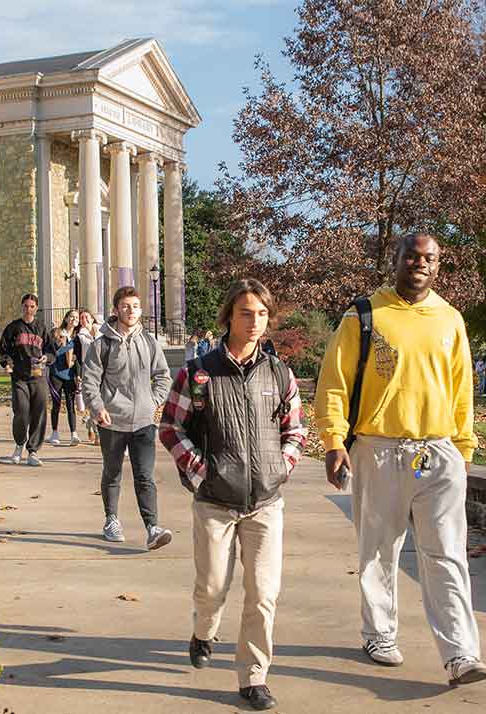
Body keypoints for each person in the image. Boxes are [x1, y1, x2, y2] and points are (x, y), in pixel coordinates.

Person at [315, 232, 486, 687]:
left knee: (447, 554)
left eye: (429, 258)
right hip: (378, 448)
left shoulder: (451, 319)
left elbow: (462, 390)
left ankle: (461, 654)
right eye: (411, 256)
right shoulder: (363, 316)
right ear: (395, 260)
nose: (420, 264)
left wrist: (463, 448)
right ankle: (380, 633)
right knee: (378, 550)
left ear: (438, 266)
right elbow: (333, 383)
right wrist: (334, 441)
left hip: (438, 450)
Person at [159, 279, 306, 711]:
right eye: (246, 313)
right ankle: (204, 630)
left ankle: (253, 676)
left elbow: (294, 430)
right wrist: (200, 470)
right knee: (212, 587)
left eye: (262, 313)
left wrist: (283, 466)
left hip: (265, 503)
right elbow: (171, 427)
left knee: (263, 593)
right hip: (215, 502)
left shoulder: (279, 373)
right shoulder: (199, 373)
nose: (255, 322)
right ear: (229, 316)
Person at [81, 287, 174, 550]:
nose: (130, 310)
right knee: (112, 473)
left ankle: (152, 527)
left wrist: (153, 401)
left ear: (140, 310)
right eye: (125, 306)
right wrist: (97, 407)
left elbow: (163, 375)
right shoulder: (102, 344)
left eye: (135, 306)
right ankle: (111, 519)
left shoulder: (149, 342)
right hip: (112, 421)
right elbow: (89, 380)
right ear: (115, 310)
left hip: (144, 422)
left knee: (145, 476)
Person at [0, 293, 53, 466]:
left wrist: (46, 358)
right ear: (22, 307)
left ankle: (33, 451)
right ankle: (19, 444)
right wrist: (7, 363)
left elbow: (51, 351)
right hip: (19, 377)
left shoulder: (42, 328)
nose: (29, 309)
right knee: (21, 411)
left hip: (38, 376)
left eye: (32, 306)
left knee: (39, 411)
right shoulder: (13, 328)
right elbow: (1, 350)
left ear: (36, 308)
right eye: (26, 306)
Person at [45, 327, 81, 446]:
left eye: (61, 337)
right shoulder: (51, 347)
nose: (59, 339)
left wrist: (77, 375)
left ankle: (74, 433)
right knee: (56, 404)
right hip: (55, 376)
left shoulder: (71, 344)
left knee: (71, 406)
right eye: (56, 337)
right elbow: (49, 358)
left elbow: (75, 361)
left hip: (69, 377)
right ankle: (55, 433)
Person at [74, 310, 101, 444]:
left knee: (103, 402)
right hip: (88, 369)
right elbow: (78, 357)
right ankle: (97, 434)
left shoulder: (101, 332)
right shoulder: (80, 336)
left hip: (102, 370)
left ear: (92, 318)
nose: (84, 319)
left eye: (86, 317)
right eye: (82, 318)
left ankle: (91, 423)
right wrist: (79, 374)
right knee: (92, 402)